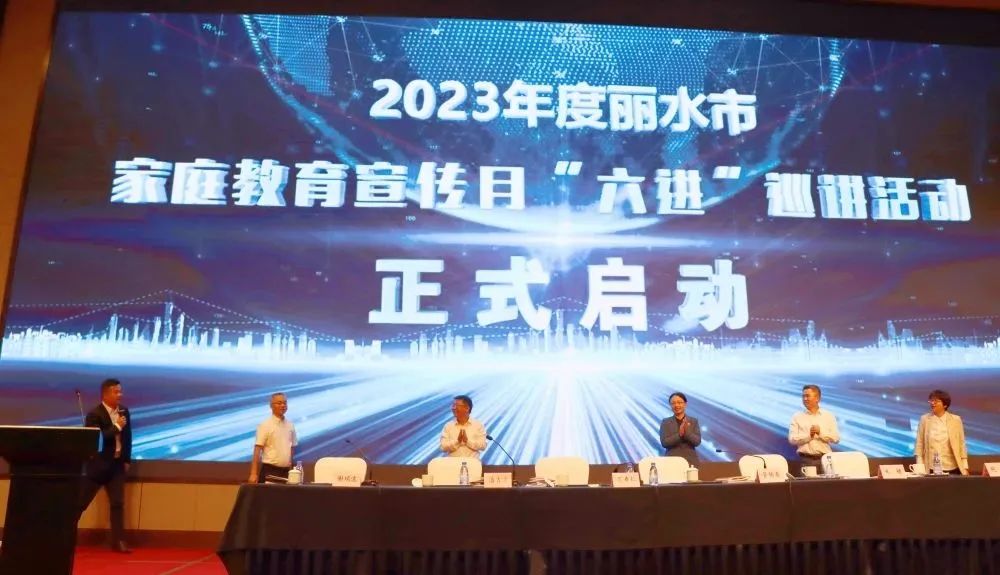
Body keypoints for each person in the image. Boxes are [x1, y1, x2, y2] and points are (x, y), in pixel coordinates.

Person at [79, 378, 133, 554]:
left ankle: (119, 541)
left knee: (117, 503)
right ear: (105, 394)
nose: (120, 395)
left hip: (116, 466)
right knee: (80, 503)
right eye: (116, 392)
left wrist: (126, 459)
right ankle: (64, 534)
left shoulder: (124, 411)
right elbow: (99, 438)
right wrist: (117, 426)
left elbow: (128, 437)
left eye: (120, 391)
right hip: (98, 466)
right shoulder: (94, 415)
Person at [915, 389, 969, 475]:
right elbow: (919, 443)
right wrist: (920, 466)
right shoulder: (924, 419)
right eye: (931, 400)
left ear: (945, 405)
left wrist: (965, 466)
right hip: (931, 467)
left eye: (936, 401)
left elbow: (961, 443)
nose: (932, 403)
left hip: (952, 467)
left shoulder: (956, 420)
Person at [248, 393, 298, 483]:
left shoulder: (290, 425)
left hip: (286, 472)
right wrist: (253, 473)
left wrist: (291, 470)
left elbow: (292, 448)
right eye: (279, 403)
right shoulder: (265, 425)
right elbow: (257, 450)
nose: (283, 405)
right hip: (270, 471)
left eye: (285, 403)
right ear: (271, 406)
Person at [788, 384, 840, 470]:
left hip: (826, 460)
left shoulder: (828, 416)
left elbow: (836, 438)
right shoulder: (797, 417)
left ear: (817, 398)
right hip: (806, 460)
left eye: (807, 396)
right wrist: (809, 436)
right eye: (803, 396)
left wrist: (820, 433)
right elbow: (792, 439)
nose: (805, 399)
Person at [659, 392, 702, 466]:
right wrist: (679, 435)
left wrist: (687, 433)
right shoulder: (665, 422)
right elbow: (664, 443)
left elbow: (697, 442)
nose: (676, 405)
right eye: (673, 403)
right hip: (671, 462)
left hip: (690, 462)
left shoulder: (693, 421)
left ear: (685, 404)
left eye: (679, 402)